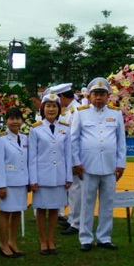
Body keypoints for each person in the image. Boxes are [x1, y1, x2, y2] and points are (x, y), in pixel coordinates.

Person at [71, 77, 126, 251]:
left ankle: (104, 237)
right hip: (87, 166)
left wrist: (121, 163)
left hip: (110, 166)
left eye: (102, 94)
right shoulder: (81, 113)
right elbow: (73, 140)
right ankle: (85, 238)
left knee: (108, 203)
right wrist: (76, 162)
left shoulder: (116, 114)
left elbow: (121, 141)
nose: (99, 97)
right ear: (89, 96)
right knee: (86, 203)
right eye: (96, 94)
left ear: (108, 96)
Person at [28, 93, 73, 255]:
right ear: (43, 108)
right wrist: (33, 179)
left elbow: (68, 154)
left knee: (55, 209)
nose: (51, 109)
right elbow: (32, 157)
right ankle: (42, 240)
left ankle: (51, 239)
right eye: (48, 106)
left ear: (59, 109)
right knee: (41, 209)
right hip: (42, 176)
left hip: (59, 175)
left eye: (54, 106)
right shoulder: (35, 129)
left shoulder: (65, 128)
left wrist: (68, 176)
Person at [0, 107, 30, 258]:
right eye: (11, 119)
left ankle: (12, 241)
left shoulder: (25, 138)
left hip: (21, 181)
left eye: (18, 118)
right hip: (8, 182)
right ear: (6, 121)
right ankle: (3, 244)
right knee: (5, 213)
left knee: (17, 212)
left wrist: (29, 181)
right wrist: (1, 185)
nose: (15, 122)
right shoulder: (1, 139)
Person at [49, 83, 82, 235]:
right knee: (73, 189)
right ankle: (72, 218)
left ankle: (76, 222)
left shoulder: (76, 111)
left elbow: (73, 137)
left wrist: (74, 161)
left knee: (76, 190)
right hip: (69, 155)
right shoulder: (70, 110)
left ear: (62, 96)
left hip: (76, 156)